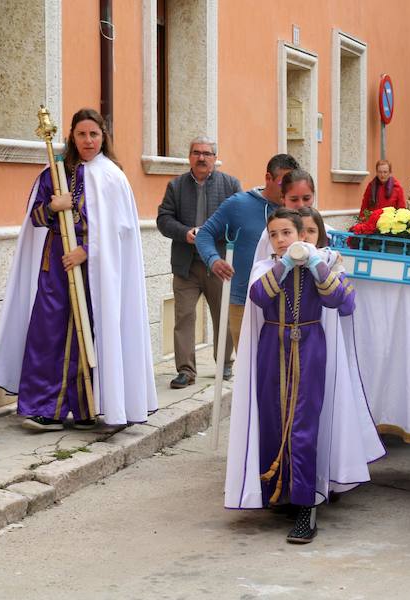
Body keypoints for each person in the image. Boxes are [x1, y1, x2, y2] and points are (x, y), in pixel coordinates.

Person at [0, 108, 156, 429]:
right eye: (82, 134)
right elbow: (35, 218)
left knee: (90, 334)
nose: (88, 140)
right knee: (47, 332)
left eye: (94, 134)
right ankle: (45, 408)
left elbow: (121, 233)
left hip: (97, 272)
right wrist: (54, 205)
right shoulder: (55, 173)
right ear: (72, 136)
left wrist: (88, 251)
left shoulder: (113, 177)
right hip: (55, 267)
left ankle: (85, 409)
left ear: (103, 136)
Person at [223, 208, 356, 543]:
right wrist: (283, 265)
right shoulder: (265, 267)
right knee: (272, 419)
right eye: (274, 235)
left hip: (310, 348)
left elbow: (340, 301)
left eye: (287, 233)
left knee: (302, 425)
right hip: (272, 348)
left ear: (301, 235)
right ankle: (278, 490)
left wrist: (314, 264)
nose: (281, 240)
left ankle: (305, 506)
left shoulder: (319, 265)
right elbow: (257, 296)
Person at [156, 136, 242, 389]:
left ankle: (225, 364)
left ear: (215, 158)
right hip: (186, 264)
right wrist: (185, 233)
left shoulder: (230, 185)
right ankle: (185, 370)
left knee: (223, 316)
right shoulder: (176, 186)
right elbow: (163, 219)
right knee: (184, 317)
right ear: (189, 156)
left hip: (218, 263)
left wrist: (212, 235)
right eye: (196, 152)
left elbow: (239, 220)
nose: (201, 157)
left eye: (207, 153)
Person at [196, 154, 298, 352]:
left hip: (289, 302)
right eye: (282, 182)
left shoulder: (296, 208)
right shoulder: (238, 205)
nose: (288, 189)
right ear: (268, 178)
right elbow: (205, 234)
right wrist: (213, 259)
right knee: (247, 368)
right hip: (243, 301)